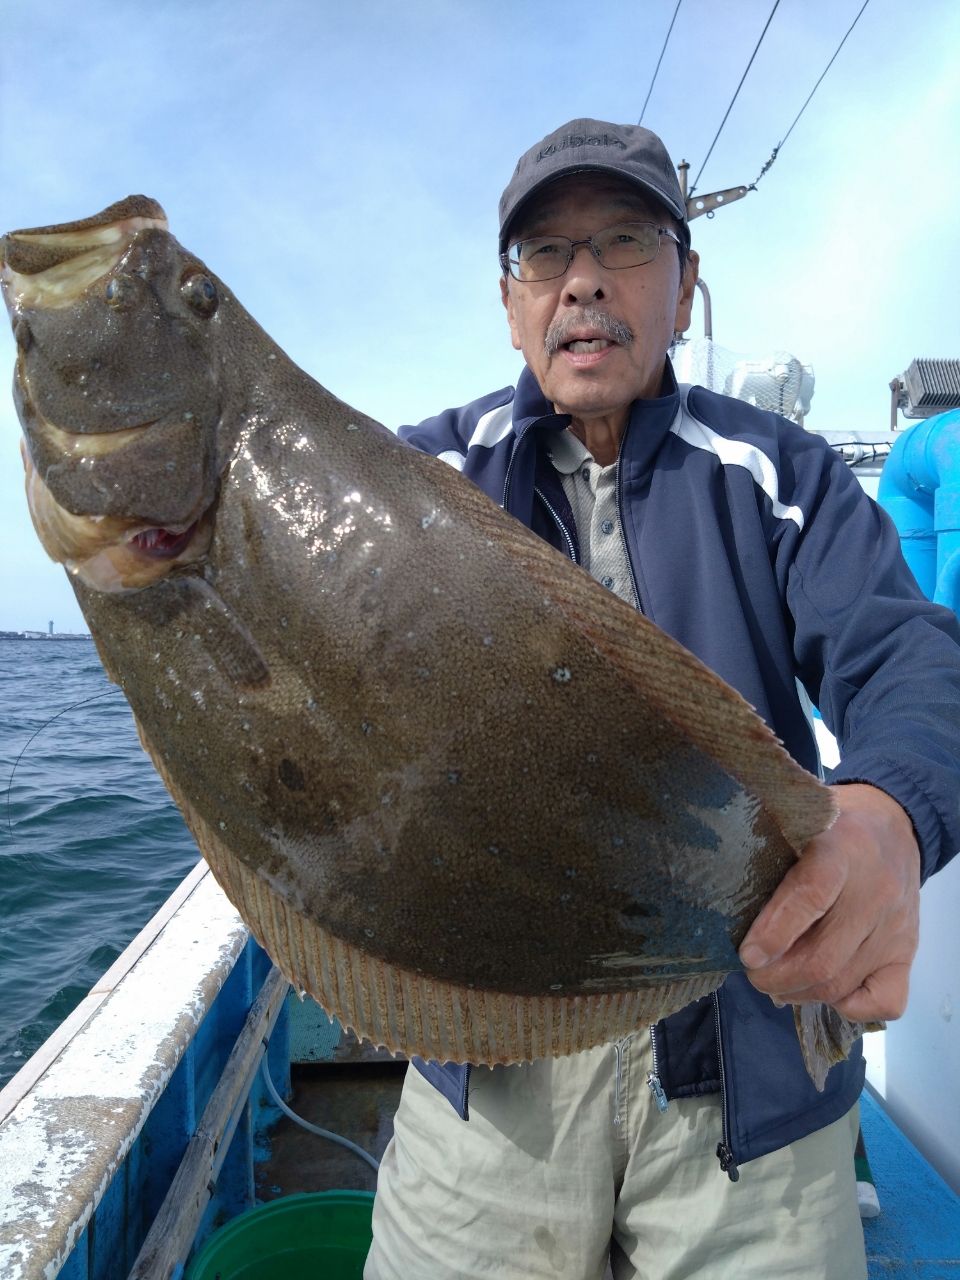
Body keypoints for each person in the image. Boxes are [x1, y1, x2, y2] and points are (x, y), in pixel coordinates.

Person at [363, 118, 960, 1279]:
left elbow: (910, 659)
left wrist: (892, 813)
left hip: (748, 1061)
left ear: (685, 288)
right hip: (493, 1068)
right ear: (511, 304)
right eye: (545, 252)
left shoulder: (783, 473)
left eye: (625, 241)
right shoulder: (423, 479)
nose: (582, 279)